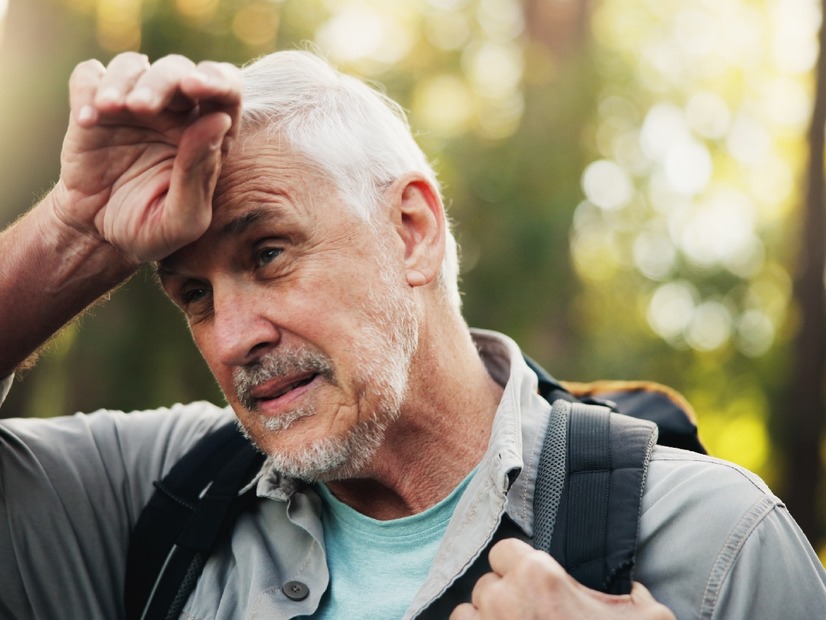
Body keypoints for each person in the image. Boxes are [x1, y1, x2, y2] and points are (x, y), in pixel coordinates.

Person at [0, 50, 823, 620]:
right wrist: (77, 234)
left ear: (412, 230)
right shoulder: (156, 496)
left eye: (269, 252)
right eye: (193, 295)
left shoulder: (715, 541)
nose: (232, 337)